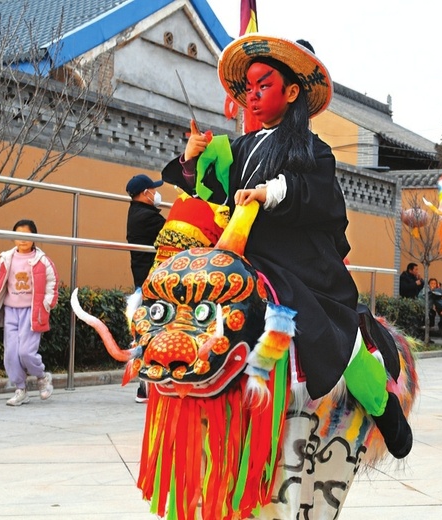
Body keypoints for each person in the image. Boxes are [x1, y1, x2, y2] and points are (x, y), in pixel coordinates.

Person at [167, 35, 411, 458]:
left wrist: (268, 193)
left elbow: (318, 196)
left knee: (331, 335)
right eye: (249, 88)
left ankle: (382, 405)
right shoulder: (237, 147)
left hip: (300, 266)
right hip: (242, 257)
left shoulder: (315, 150)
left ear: (292, 92)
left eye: (264, 85)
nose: (253, 95)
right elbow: (212, 196)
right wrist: (191, 161)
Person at [0, 219, 59, 406]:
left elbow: (52, 282)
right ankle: (20, 389)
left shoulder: (42, 261)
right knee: (11, 353)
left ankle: (42, 377)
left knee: (26, 352)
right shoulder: (6, 258)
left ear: (34, 237)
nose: (22, 239)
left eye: (27, 235)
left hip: (32, 312)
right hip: (11, 311)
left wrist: (47, 303)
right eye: (18, 235)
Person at [125, 173, 166, 403]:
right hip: (149, 281)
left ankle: (146, 387)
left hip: (144, 280)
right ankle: (145, 387)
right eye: (154, 190)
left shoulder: (138, 212)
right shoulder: (146, 217)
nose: (156, 194)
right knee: (152, 331)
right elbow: (171, 232)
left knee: (148, 330)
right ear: (145, 193)